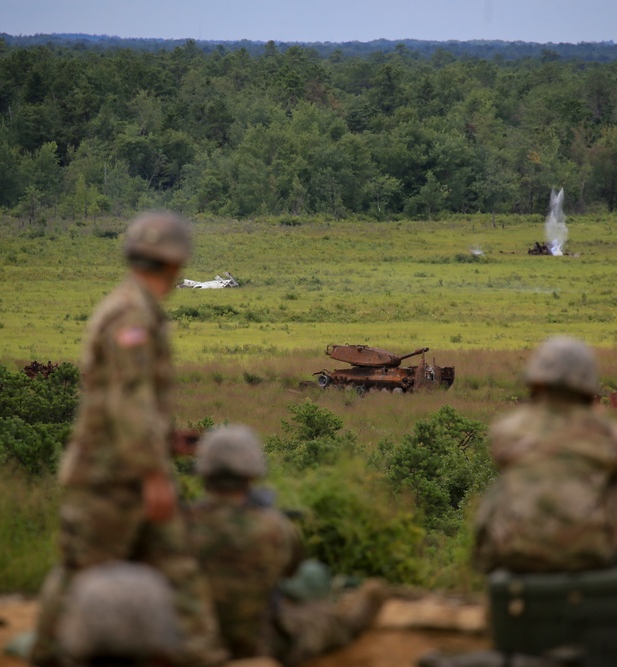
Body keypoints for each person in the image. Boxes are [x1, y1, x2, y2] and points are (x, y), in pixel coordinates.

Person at [31, 211, 225, 667]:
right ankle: (45, 655)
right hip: (109, 480)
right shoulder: (131, 315)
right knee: (84, 573)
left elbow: (127, 404)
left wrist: (167, 441)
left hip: (131, 468)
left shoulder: (135, 308)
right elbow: (127, 400)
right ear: (176, 263)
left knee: (178, 566)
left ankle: (204, 655)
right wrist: (154, 472)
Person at [187, 425, 387, 666]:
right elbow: (292, 571)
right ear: (252, 473)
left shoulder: (176, 526)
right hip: (257, 644)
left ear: (203, 472)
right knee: (317, 619)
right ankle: (349, 623)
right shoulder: (276, 528)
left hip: (189, 641)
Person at [473, 336, 617, 574]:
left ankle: (488, 566)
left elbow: (500, 453)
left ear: (536, 380)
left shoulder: (509, 427)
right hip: (592, 554)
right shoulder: (608, 431)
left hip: (517, 553)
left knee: (502, 486)